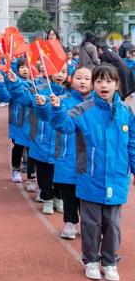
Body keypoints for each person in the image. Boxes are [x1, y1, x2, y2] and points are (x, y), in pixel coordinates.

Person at [48, 64, 135, 281]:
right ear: (94, 85)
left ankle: (110, 261)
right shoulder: (84, 109)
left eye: (108, 81)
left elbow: (132, 144)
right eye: (99, 81)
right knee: (91, 224)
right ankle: (91, 261)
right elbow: (64, 126)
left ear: (117, 84)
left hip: (116, 179)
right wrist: (58, 109)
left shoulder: (127, 112)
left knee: (113, 225)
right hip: (90, 177)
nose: (103, 85)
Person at [35, 66, 93, 239]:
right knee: (68, 192)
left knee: (87, 194)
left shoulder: (98, 103)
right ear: (71, 79)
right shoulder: (62, 99)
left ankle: (87, 224)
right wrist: (43, 105)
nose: (82, 81)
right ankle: (70, 222)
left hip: (89, 157)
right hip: (67, 155)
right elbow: (48, 117)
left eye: (87, 78)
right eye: (79, 78)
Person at [7, 63, 69, 215]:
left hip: (62, 142)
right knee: (44, 174)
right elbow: (22, 95)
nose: (60, 75)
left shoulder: (71, 93)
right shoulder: (38, 89)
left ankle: (59, 198)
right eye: (57, 71)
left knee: (61, 172)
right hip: (41, 140)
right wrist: (15, 82)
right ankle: (47, 198)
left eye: (63, 71)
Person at [0, 58, 35, 185]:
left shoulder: (36, 84)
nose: (25, 70)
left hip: (32, 122)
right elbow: (5, 97)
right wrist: (2, 84)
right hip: (17, 123)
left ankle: (31, 176)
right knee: (18, 147)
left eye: (27, 67)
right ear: (18, 70)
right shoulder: (12, 83)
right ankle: (16, 170)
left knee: (32, 149)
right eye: (22, 67)